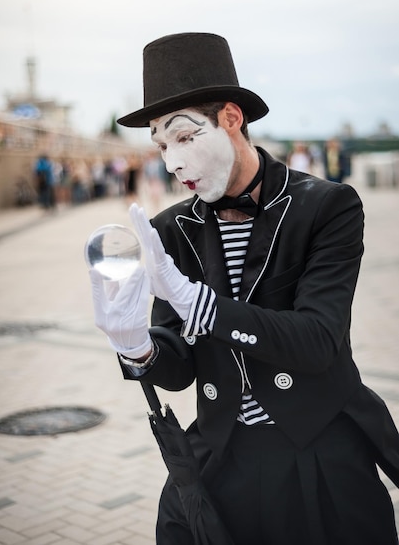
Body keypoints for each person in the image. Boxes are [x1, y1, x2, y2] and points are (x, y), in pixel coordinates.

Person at [88, 33, 399, 544]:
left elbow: (319, 340)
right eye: (162, 146)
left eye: (185, 138)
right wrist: (137, 347)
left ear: (232, 119)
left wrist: (200, 305)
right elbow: (181, 367)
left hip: (319, 444)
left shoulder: (326, 206)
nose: (172, 163)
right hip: (222, 451)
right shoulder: (171, 228)